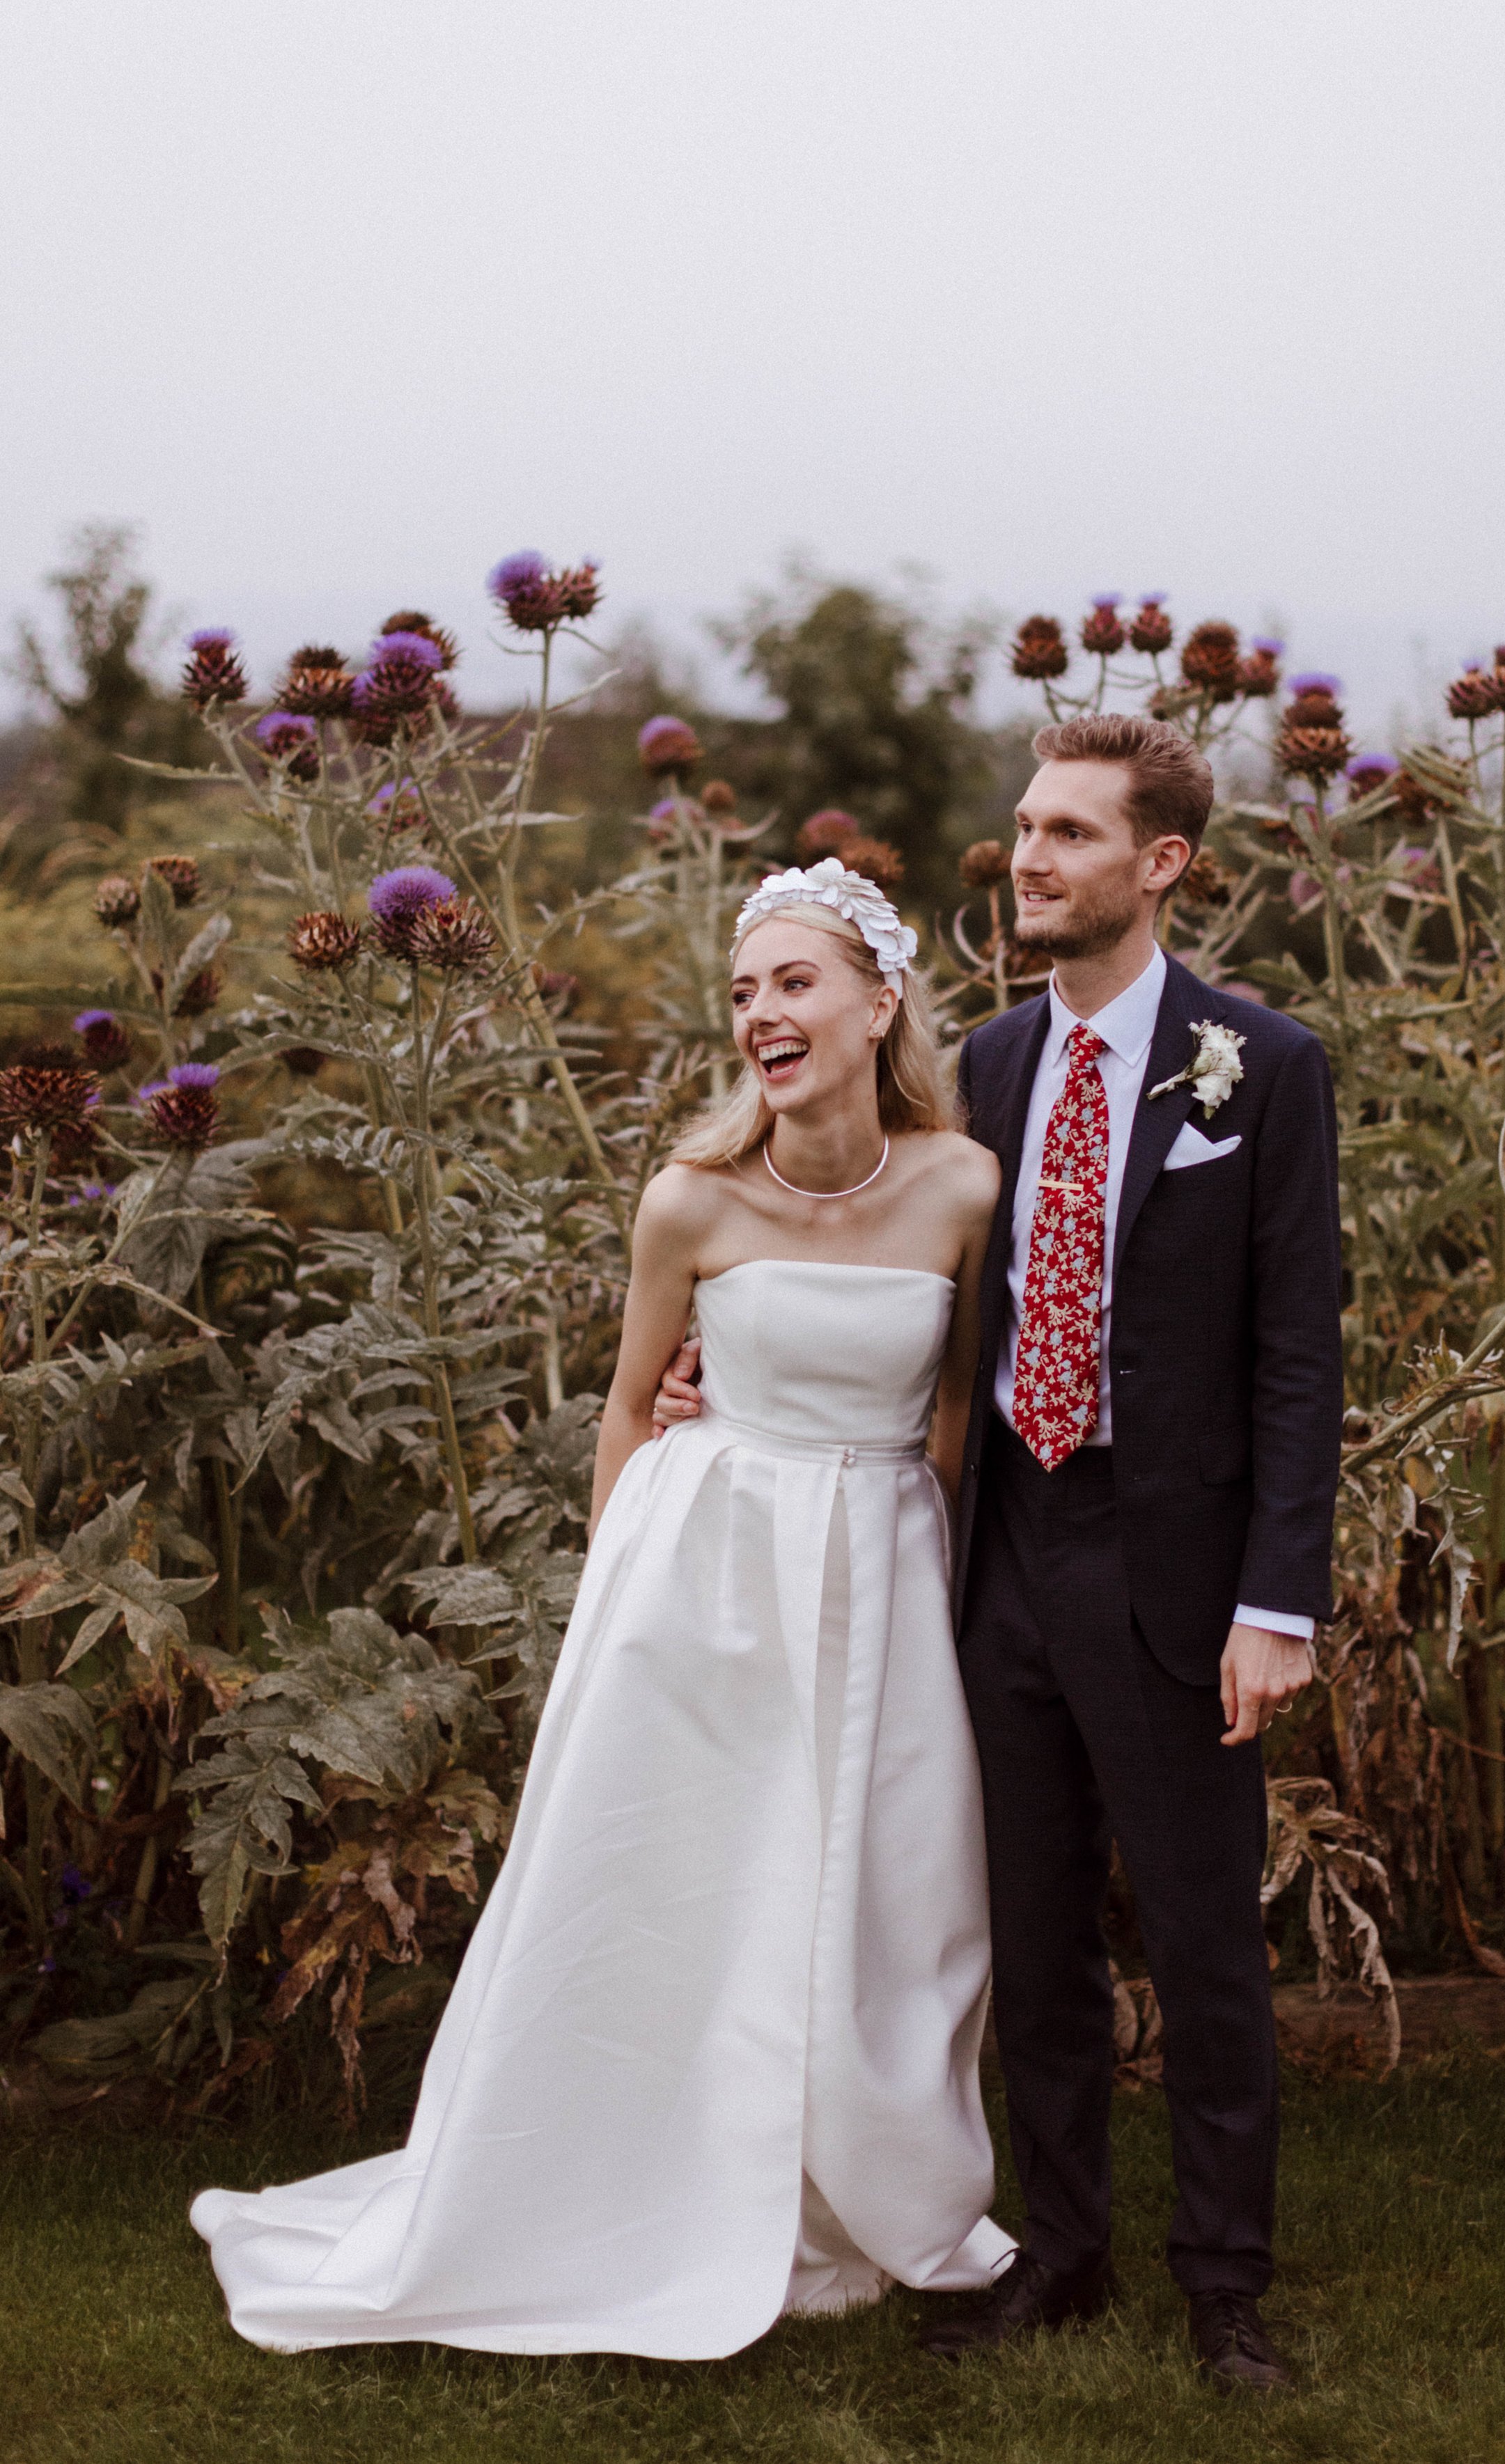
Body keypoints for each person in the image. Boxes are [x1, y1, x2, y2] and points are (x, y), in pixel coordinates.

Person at [192, 857, 1014, 2359]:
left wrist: (941, 1594)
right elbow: (632, 1414)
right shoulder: (688, 1200)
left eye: (793, 979)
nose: (761, 1009)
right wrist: (608, 1635)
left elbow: (954, 1414)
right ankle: (638, 2182)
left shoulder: (963, 1184)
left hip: (886, 1563)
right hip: (704, 1577)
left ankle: (866, 2195)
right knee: (696, 1875)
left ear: (877, 1000)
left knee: (894, 1884)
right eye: (745, 988)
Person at [657, 711, 1343, 2392]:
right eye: (1025, 825)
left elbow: (1296, 1357)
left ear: (1158, 863)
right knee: (1024, 1934)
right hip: (996, 1553)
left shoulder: (1260, 1069)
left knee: (1195, 1938)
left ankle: (1222, 2282)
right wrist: (716, 1356)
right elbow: (863, 1240)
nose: (1027, 856)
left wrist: (1277, 1602)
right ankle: (1063, 2243)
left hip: (1174, 1571)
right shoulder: (982, 1066)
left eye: (1069, 833)